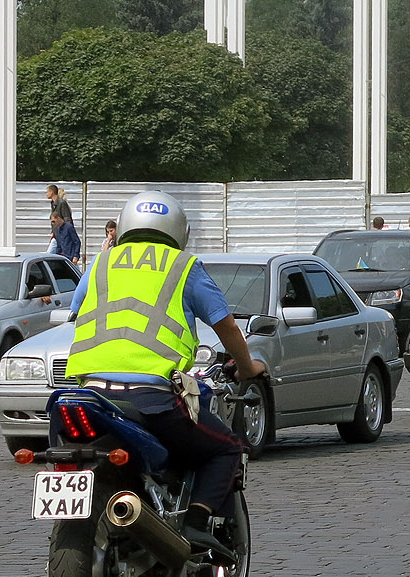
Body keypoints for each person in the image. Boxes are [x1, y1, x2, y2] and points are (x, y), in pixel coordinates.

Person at [65, 190, 266, 558]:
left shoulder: (100, 264)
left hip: (90, 394)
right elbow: (227, 328)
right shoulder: (183, 267)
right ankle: (196, 523)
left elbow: (75, 312)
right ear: (179, 230)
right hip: (149, 397)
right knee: (227, 449)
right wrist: (249, 367)